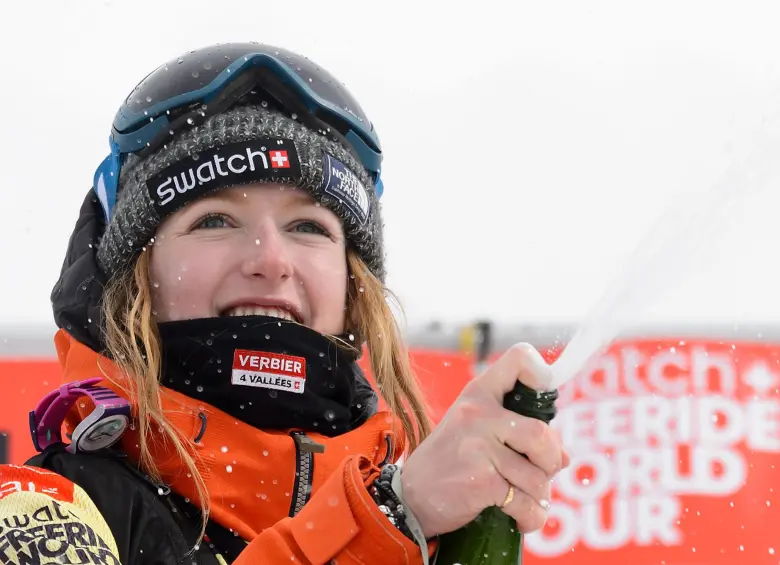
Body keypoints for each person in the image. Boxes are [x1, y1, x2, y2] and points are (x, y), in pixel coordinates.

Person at [0, 42, 569, 564]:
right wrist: (387, 520)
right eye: (215, 220)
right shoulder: (42, 513)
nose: (270, 259)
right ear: (135, 281)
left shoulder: (445, 521)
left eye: (308, 226)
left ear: (354, 292)